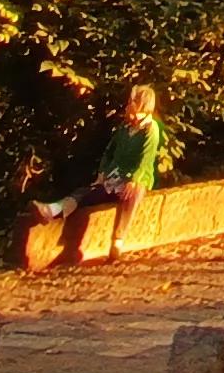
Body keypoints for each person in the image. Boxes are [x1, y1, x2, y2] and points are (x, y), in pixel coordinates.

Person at [33, 83, 167, 260]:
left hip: (137, 178)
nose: (127, 106)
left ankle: (118, 241)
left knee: (132, 196)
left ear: (140, 104)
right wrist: (103, 172)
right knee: (86, 193)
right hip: (115, 176)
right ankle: (54, 209)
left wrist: (134, 179)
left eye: (131, 102)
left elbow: (146, 157)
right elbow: (109, 152)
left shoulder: (151, 129)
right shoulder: (124, 128)